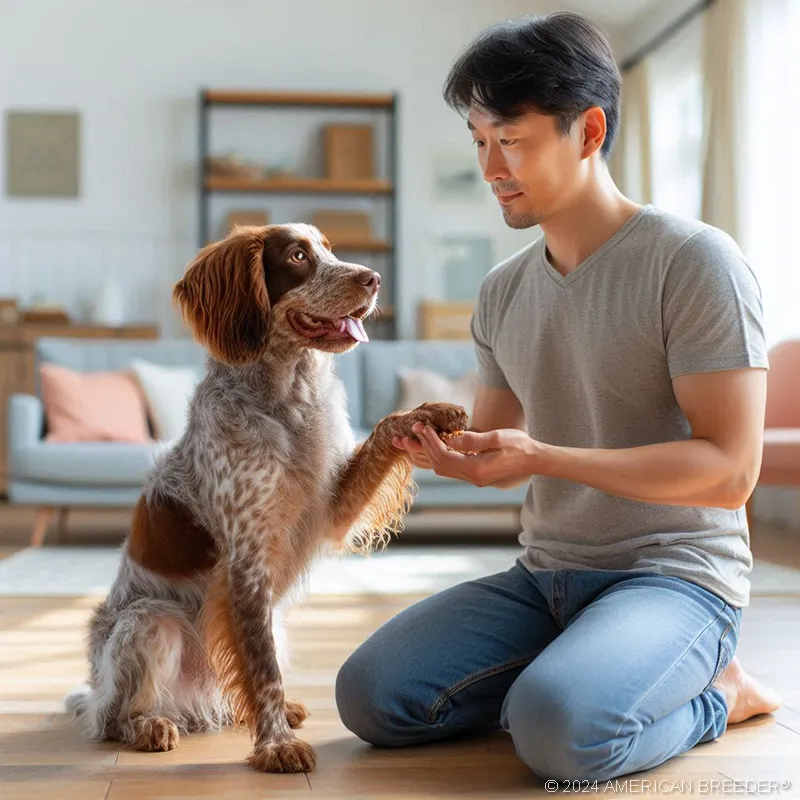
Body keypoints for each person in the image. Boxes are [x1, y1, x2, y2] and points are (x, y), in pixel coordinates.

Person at [334, 10, 782, 783]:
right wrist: (456, 454)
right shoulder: (503, 292)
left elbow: (729, 472)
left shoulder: (696, 263)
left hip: (676, 575)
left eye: (512, 139)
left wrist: (546, 456)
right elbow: (500, 448)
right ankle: (581, 670)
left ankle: (718, 693)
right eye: (479, 141)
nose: (490, 167)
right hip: (547, 578)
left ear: (588, 130)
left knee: (558, 738)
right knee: (371, 698)